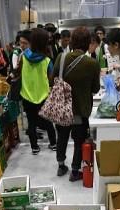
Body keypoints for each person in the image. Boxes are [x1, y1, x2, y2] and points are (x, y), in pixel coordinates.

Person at [53, 27, 100, 181]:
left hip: (61, 107)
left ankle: (61, 165)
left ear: (72, 42)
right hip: (80, 110)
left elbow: (52, 80)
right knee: (79, 140)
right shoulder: (92, 63)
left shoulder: (61, 58)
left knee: (62, 137)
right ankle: (75, 171)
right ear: (88, 43)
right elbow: (95, 89)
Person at [20, 27, 56, 155]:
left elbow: (17, 74)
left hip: (27, 96)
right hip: (44, 96)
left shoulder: (23, 58)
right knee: (48, 122)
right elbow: (51, 80)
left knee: (31, 123)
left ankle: (34, 147)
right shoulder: (47, 61)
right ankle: (53, 144)